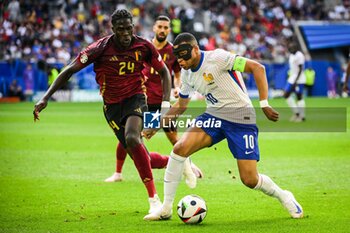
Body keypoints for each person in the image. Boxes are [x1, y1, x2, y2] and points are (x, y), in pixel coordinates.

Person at [33, 9, 191, 214]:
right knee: (142, 156)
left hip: (136, 98)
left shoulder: (144, 46)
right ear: (113, 29)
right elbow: (70, 69)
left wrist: (165, 105)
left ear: (133, 26)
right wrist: (46, 97)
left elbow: (164, 73)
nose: (126, 34)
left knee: (133, 138)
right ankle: (177, 162)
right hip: (112, 107)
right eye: (121, 29)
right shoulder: (99, 48)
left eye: (129, 28)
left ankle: (154, 200)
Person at [143, 32, 303, 221]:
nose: (182, 61)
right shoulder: (186, 72)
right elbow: (181, 105)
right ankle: (166, 208)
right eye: (178, 57)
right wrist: (156, 125)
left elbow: (257, 68)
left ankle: (284, 195)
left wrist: (264, 104)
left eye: (185, 56)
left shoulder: (218, 57)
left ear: (196, 49)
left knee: (249, 179)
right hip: (214, 115)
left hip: (241, 116)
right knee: (179, 149)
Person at [104, 15, 202, 184]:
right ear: (154, 28)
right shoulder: (143, 47)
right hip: (143, 102)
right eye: (160, 27)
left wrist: (177, 87)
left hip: (161, 103)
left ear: (169, 30)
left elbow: (176, 74)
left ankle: (189, 166)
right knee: (130, 135)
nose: (162, 30)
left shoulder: (173, 51)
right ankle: (118, 173)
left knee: (172, 138)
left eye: (166, 27)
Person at [283, 43, 306, 122]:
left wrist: (296, 81)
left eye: (292, 48)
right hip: (292, 78)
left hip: (299, 79)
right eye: (289, 48)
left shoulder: (299, 55)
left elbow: (300, 69)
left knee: (299, 96)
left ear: (296, 48)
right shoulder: (291, 55)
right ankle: (296, 113)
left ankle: (302, 116)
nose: (290, 50)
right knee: (286, 95)